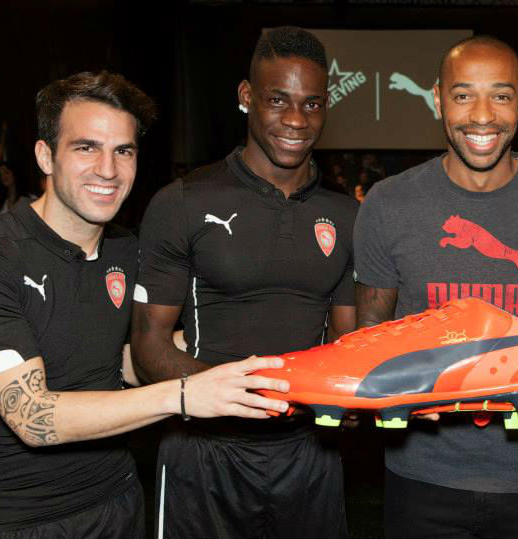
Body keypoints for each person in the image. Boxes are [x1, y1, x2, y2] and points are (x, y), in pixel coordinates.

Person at [0, 71, 287, 538]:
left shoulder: (126, 250)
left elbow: (121, 360)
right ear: (45, 156)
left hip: (117, 503)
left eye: (123, 151)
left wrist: (241, 335)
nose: (108, 170)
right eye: (86, 147)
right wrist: (184, 395)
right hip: (14, 520)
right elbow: (32, 417)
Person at [353, 35, 518, 539]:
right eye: (463, 95)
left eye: (500, 95)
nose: (482, 115)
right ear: (437, 99)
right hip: (420, 475)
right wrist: (407, 388)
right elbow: (369, 328)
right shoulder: (388, 204)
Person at [130, 27, 357, 539]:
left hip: (309, 455)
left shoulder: (347, 216)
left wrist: (351, 397)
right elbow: (147, 346)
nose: (296, 120)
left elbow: (346, 346)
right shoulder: (182, 202)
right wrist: (237, 392)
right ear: (246, 96)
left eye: (312, 104)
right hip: (203, 454)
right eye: (278, 100)